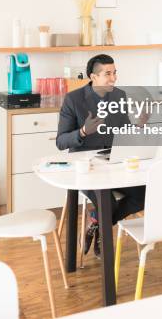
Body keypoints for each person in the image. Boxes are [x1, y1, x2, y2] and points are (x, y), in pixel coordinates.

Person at [56, 54, 146, 258]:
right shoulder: (73, 99)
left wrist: (137, 126)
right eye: (108, 74)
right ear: (93, 76)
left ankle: (95, 222)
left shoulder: (119, 95)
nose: (114, 78)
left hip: (114, 163)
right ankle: (102, 231)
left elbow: (123, 131)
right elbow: (61, 141)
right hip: (87, 168)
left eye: (115, 73)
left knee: (145, 194)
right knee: (109, 202)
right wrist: (83, 132)